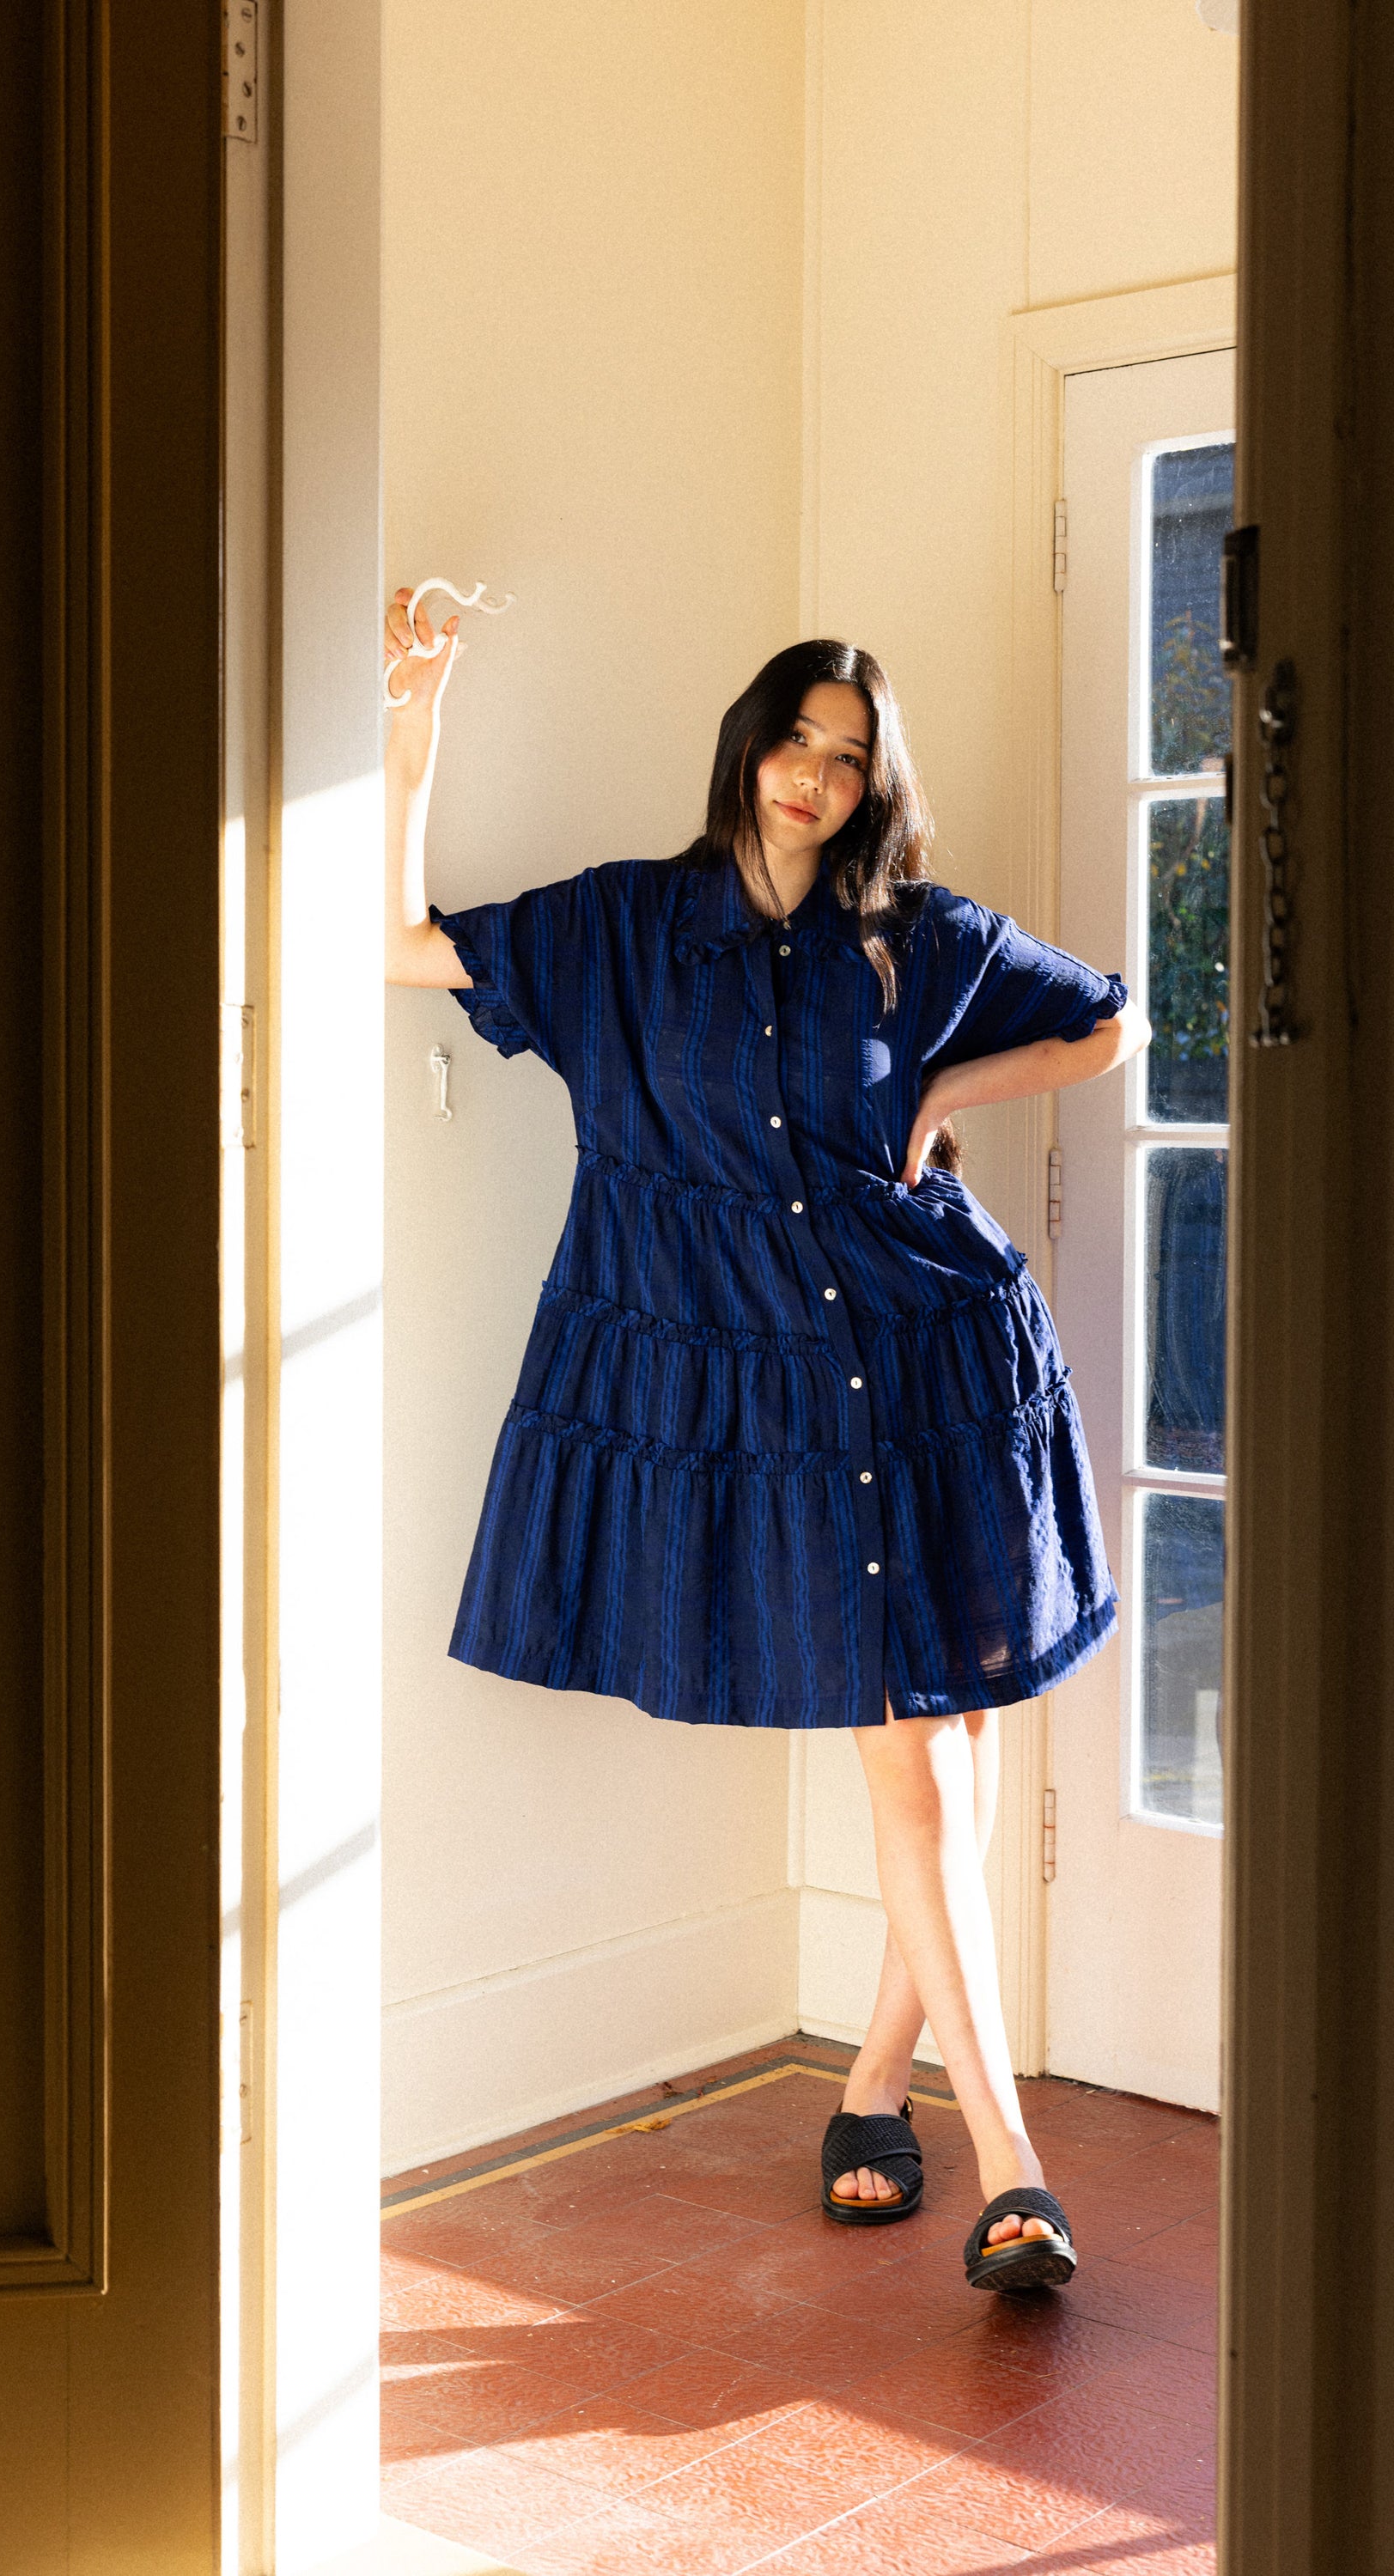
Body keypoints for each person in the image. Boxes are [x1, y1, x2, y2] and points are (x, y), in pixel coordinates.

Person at [382, 589, 1151, 2297]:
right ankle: (925, 2115)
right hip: (769, 1403)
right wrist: (415, 719)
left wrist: (944, 1095)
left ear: (873, 787)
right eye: (796, 740)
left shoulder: (911, 942)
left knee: (935, 1744)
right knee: (924, 1752)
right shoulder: (621, 927)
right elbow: (396, 939)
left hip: (933, 1356)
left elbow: (1113, 1024)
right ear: (748, 746)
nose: (813, 775)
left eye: (847, 758)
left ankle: (973, 2146)